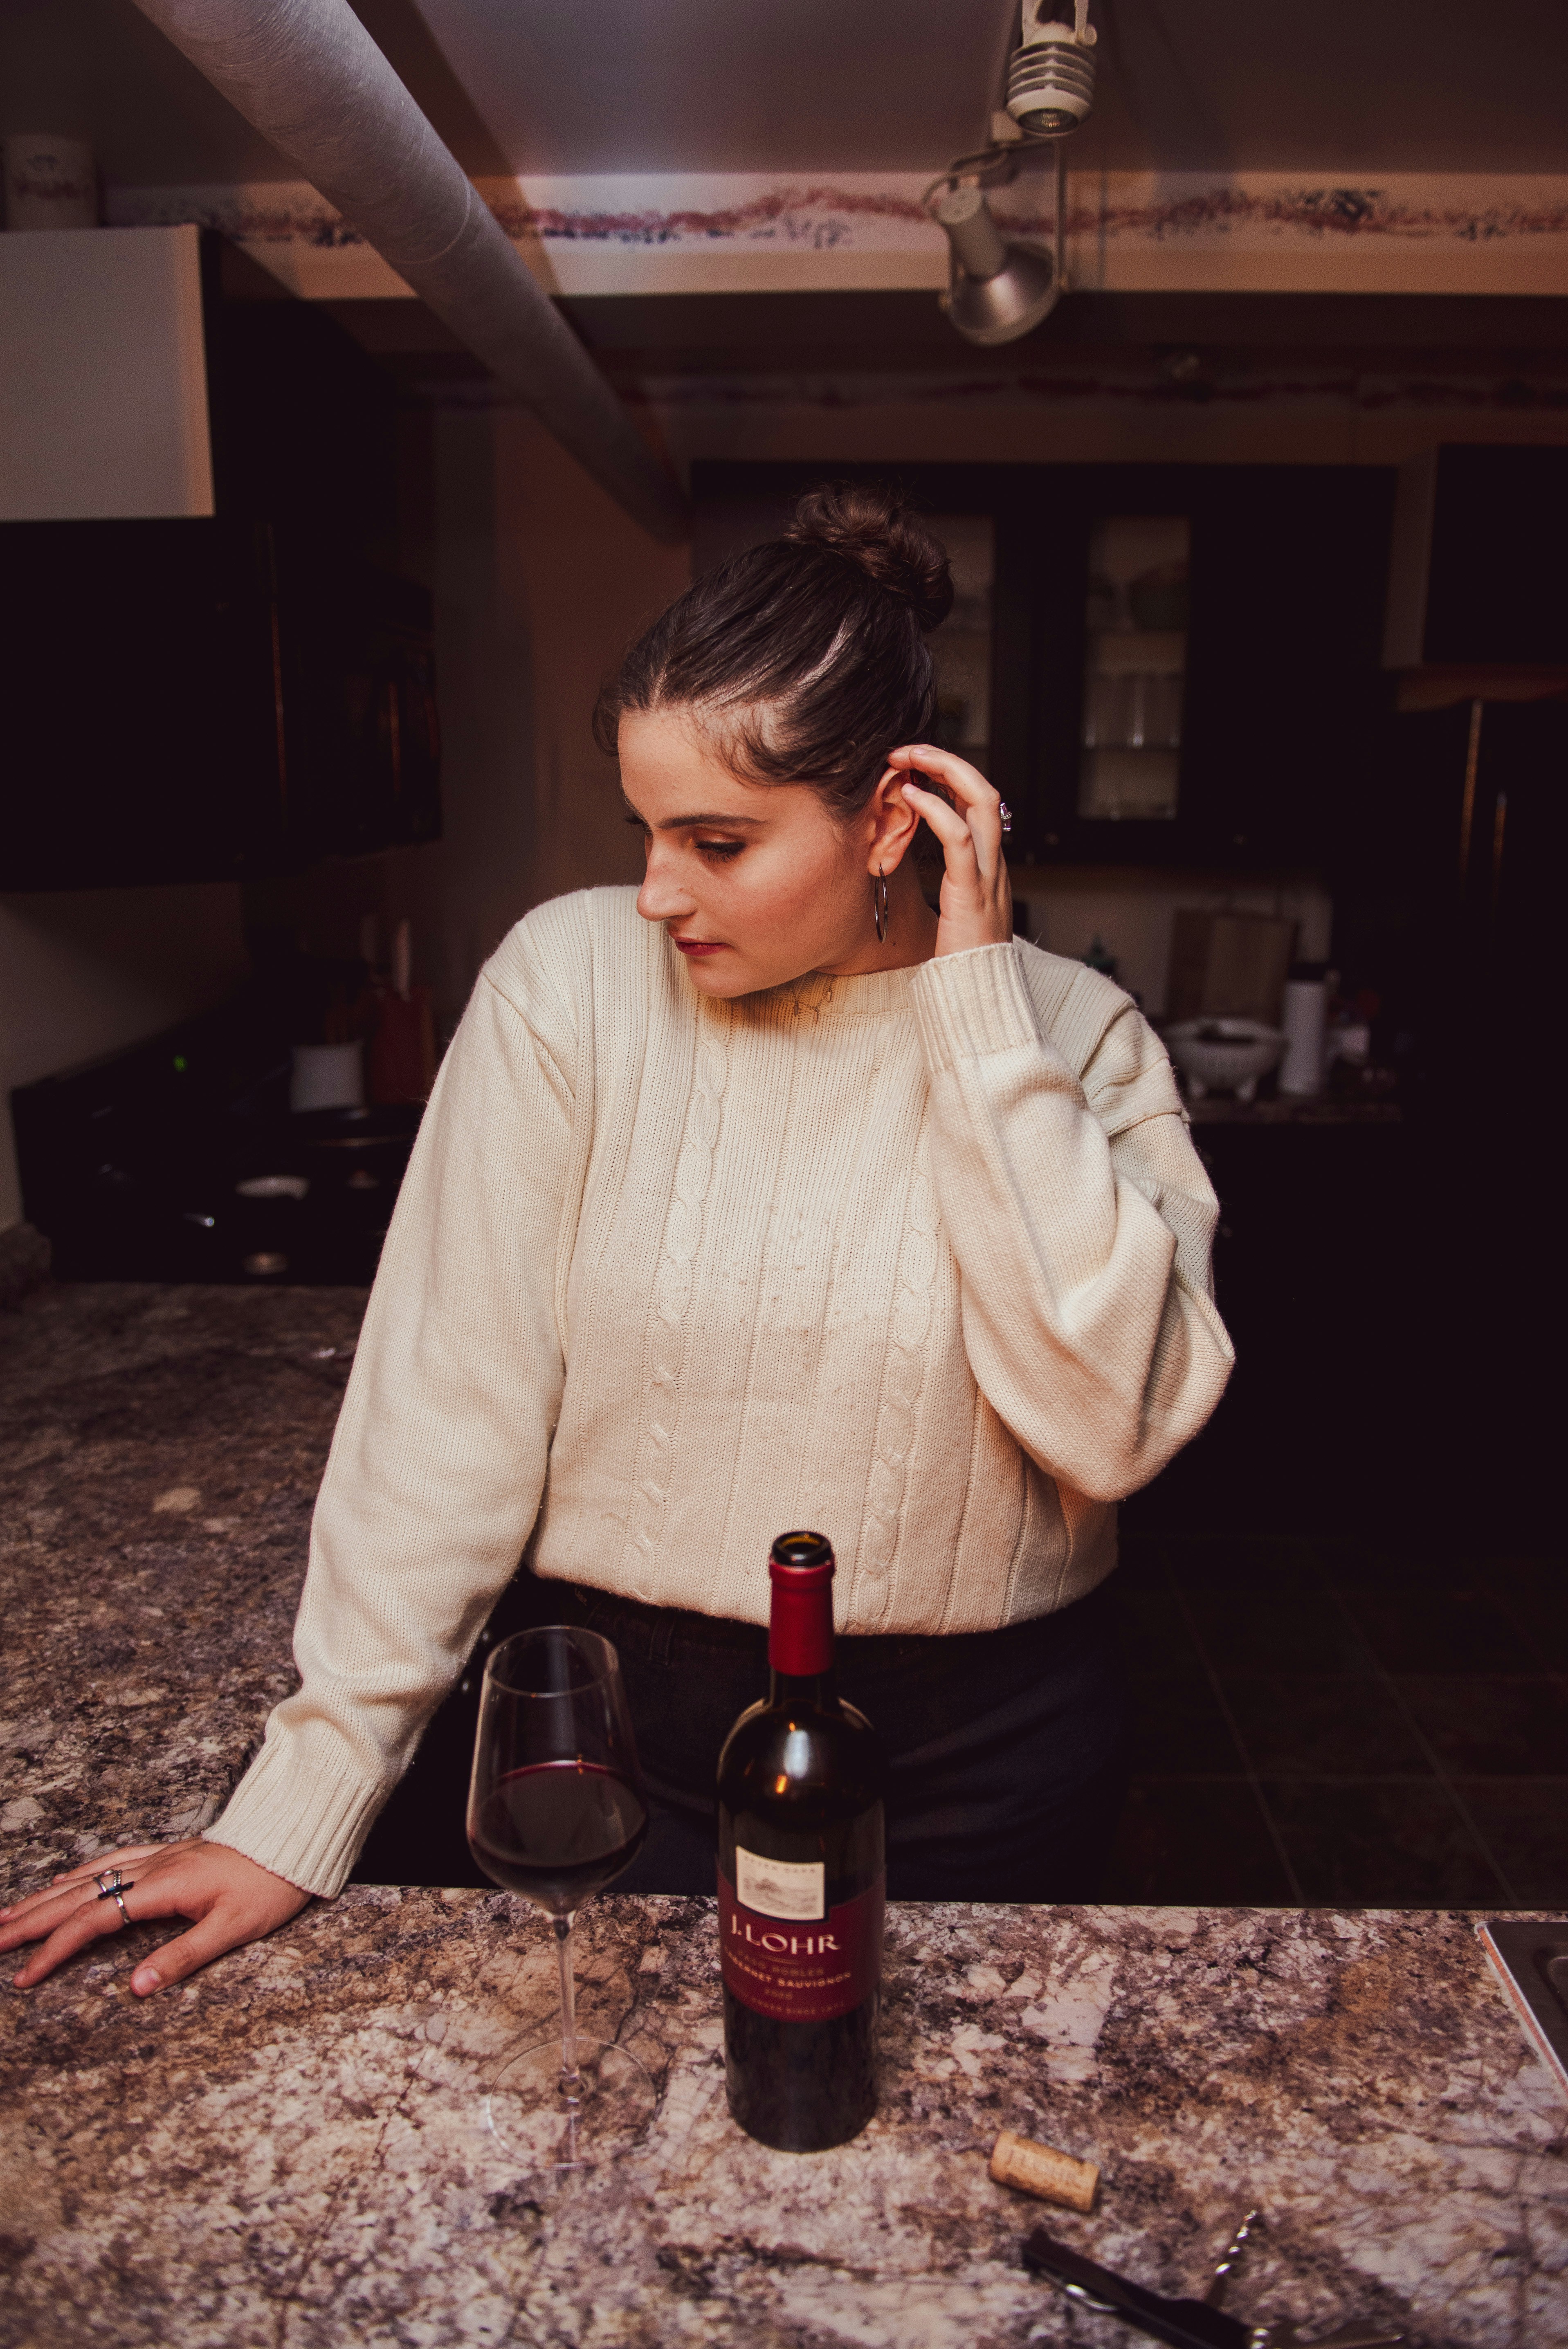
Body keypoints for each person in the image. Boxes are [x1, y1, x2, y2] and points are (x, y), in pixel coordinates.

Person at [3, 485, 1233, 1997]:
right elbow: (447, 1406)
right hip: (621, 1735)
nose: (656, 893)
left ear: (888, 822)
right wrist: (298, 1804)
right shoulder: (568, 986)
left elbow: (1110, 1426)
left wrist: (979, 1024)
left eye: (717, 841)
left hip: (980, 1765)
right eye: (646, 831)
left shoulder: (1076, 1037)